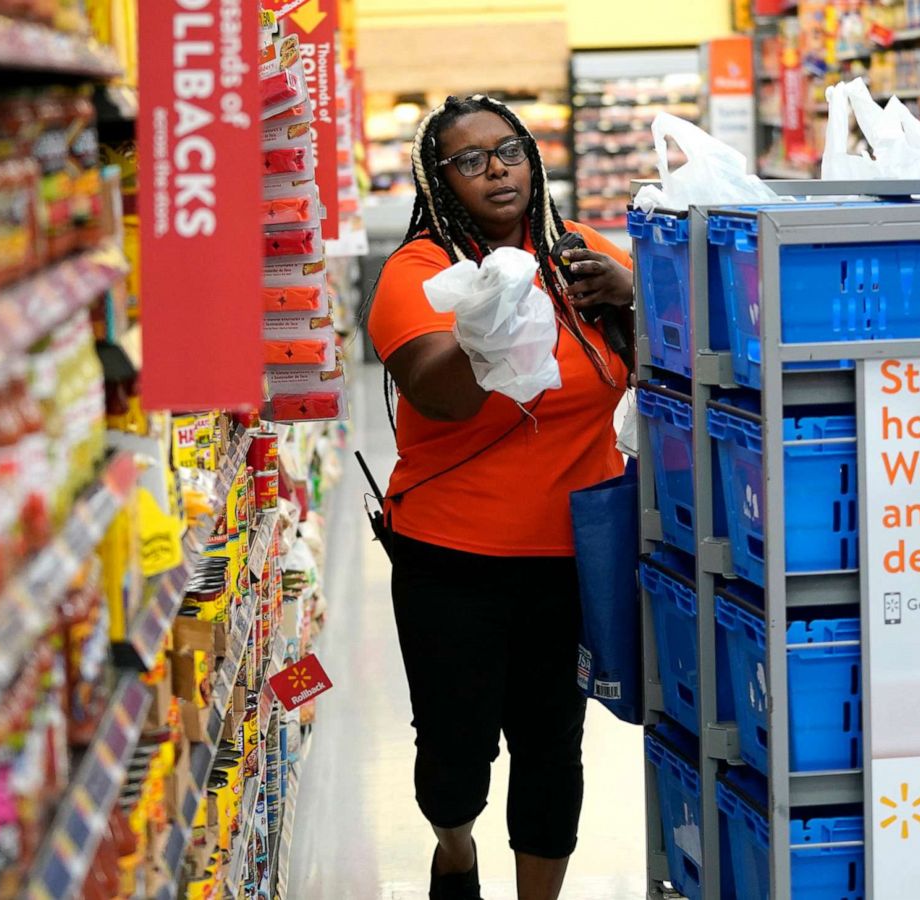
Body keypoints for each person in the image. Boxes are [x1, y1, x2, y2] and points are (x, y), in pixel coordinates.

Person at [365, 94, 636, 900]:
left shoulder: (581, 253)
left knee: (554, 746)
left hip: (576, 554)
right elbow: (439, 393)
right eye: (472, 160)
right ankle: (454, 847)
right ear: (439, 179)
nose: (498, 171)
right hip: (452, 558)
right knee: (456, 750)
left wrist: (634, 294)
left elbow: (674, 362)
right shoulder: (418, 272)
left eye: (509, 151)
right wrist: (486, 328)